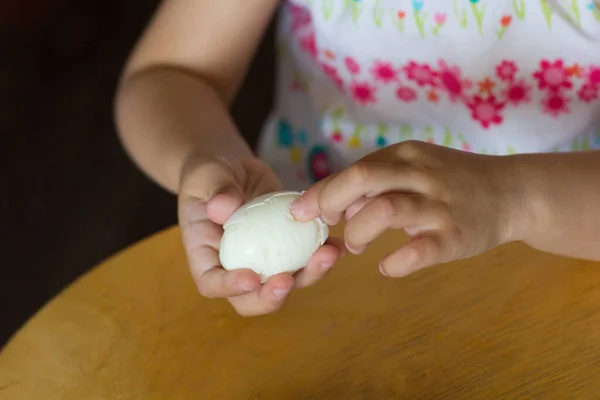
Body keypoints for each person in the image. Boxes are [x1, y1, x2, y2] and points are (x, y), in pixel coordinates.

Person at [116, 0, 600, 316]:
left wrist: (515, 199)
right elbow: (170, 75)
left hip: (552, 268)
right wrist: (204, 152)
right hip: (320, 280)